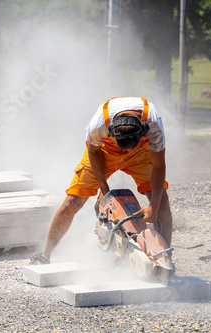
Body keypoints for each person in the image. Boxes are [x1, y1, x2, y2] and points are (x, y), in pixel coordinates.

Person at [29, 96, 172, 265]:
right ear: (112, 130)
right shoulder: (99, 125)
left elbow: (159, 167)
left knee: (161, 200)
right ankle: (45, 255)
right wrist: (104, 192)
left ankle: (164, 261)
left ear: (144, 130)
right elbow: (93, 151)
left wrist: (154, 208)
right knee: (72, 202)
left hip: (140, 153)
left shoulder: (154, 125)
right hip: (103, 151)